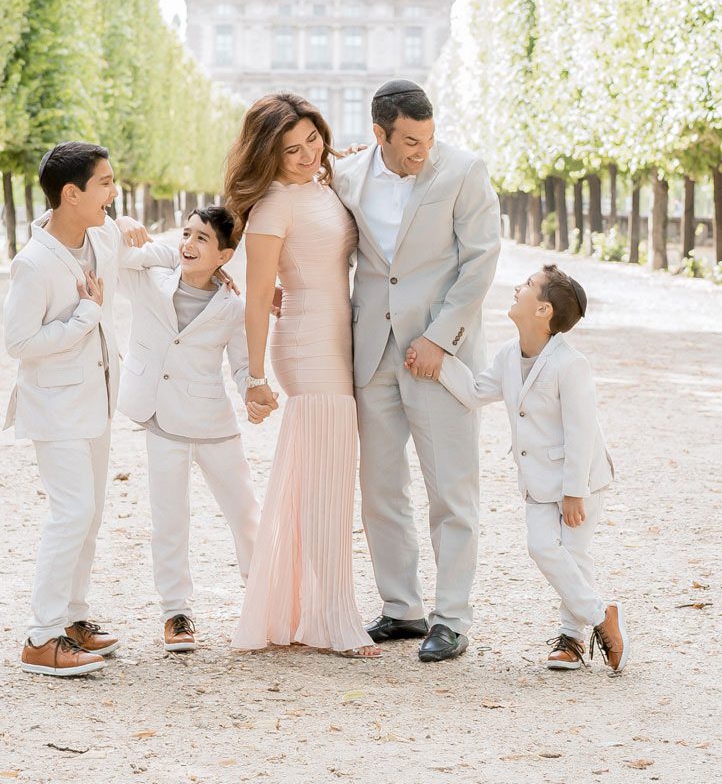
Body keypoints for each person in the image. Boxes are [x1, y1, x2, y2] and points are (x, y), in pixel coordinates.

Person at [331, 80, 501, 663]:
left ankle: (452, 617)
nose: (420, 151)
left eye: (428, 138)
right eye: (407, 141)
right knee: (381, 489)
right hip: (373, 350)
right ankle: (402, 608)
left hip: (436, 354)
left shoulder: (464, 171)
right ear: (378, 134)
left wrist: (440, 338)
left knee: (451, 489)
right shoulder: (348, 176)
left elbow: (481, 261)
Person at [228, 93, 378, 656]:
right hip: (309, 345)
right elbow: (260, 292)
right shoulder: (272, 206)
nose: (306, 153)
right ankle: (331, 619)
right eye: (291, 149)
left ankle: (301, 610)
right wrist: (255, 376)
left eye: (312, 139)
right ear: (268, 153)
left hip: (339, 337)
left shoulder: (321, 185)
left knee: (320, 479)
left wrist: (348, 160)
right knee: (326, 483)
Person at [422, 263, 628, 673]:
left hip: (581, 479)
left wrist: (574, 492)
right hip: (537, 481)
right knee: (541, 547)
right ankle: (600, 614)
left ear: (543, 311)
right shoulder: (507, 357)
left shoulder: (571, 365)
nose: (518, 287)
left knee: (574, 553)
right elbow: (476, 392)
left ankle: (571, 641)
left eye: (529, 285)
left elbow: (581, 432)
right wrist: (438, 361)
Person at [115, 206, 262, 654]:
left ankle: (261, 598)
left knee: (246, 516)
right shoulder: (149, 278)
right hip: (159, 418)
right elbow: (118, 250)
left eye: (202, 239)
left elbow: (241, 365)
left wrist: (253, 390)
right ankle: (176, 612)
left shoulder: (233, 306)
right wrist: (121, 223)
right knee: (169, 519)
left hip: (212, 420)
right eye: (186, 234)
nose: (189, 245)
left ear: (225, 255)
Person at [3, 142, 125, 677]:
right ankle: (40, 636)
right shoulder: (32, 264)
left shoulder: (100, 236)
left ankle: (74, 619)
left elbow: (149, 252)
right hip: (54, 406)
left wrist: (215, 270)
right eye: (104, 184)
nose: (113, 193)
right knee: (71, 513)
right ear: (70, 194)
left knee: (90, 514)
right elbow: (19, 342)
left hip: (95, 400)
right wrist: (86, 316)